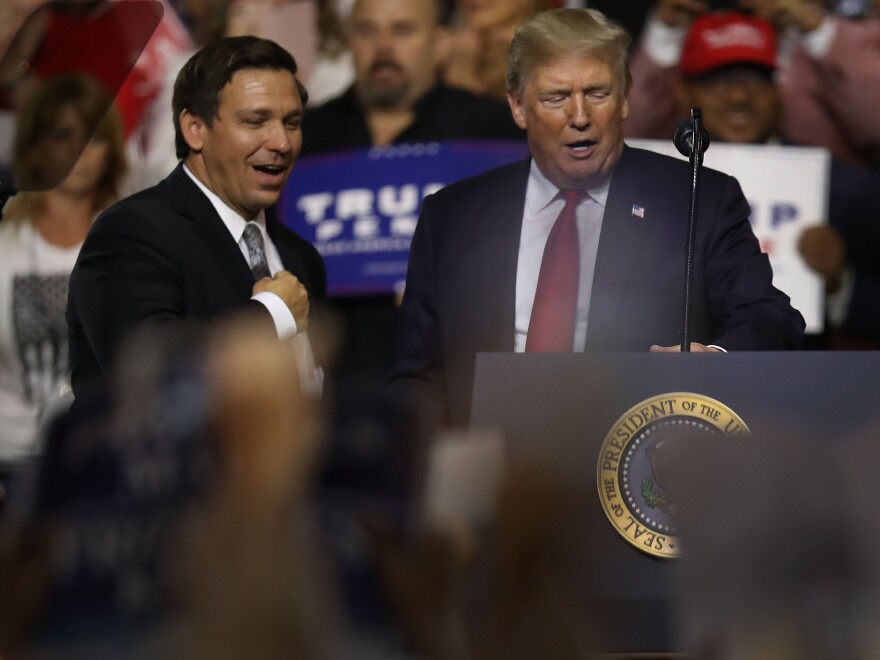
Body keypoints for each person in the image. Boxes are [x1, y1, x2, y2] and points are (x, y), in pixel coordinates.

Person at [390, 7, 805, 427]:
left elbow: (770, 319)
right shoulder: (454, 217)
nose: (580, 117)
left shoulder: (699, 199)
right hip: (488, 467)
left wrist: (713, 362)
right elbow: (417, 376)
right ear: (517, 106)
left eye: (597, 93)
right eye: (556, 97)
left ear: (625, 99)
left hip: (638, 468)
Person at [67, 36, 327, 403]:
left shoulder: (301, 256)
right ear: (194, 129)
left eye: (292, 122)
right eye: (255, 121)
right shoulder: (131, 232)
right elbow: (141, 366)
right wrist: (272, 314)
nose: (281, 142)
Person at [0, 75, 127, 490]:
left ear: (110, 151)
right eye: (62, 135)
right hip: (11, 463)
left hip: (104, 462)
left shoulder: (133, 240)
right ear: (36, 146)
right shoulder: (5, 243)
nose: (79, 152)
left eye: (92, 138)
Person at [625, 0, 880, 167]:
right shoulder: (685, 30)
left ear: (775, 88)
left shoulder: (847, 35)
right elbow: (624, 138)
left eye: (755, 81)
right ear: (685, 91)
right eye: (718, 83)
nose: (738, 97)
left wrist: (820, 32)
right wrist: (664, 38)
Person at [301, 0, 524, 153]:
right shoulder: (303, 137)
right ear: (349, 42)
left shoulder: (496, 131)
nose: (383, 46)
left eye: (402, 30)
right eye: (367, 30)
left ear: (441, 44)